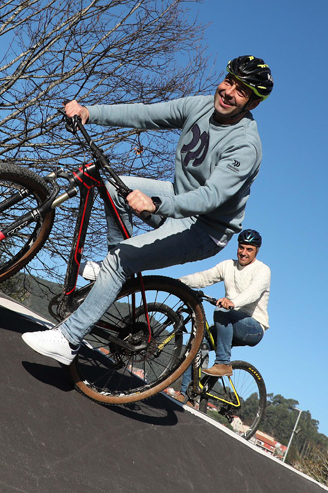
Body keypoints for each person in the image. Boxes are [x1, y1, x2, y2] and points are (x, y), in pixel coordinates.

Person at [21, 55, 274, 365]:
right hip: (177, 198)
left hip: (205, 227)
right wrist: (89, 112)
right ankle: (114, 272)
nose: (228, 91)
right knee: (115, 187)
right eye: (229, 81)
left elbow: (211, 197)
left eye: (241, 91)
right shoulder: (201, 107)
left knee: (121, 260)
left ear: (252, 103)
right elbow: (145, 114)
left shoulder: (245, 145)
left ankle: (68, 338)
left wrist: (157, 204)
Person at [171, 228, 270, 404]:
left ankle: (223, 363)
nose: (243, 252)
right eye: (241, 247)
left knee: (222, 312)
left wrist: (233, 302)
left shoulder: (262, 270)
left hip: (252, 327)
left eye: (249, 249)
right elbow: (205, 277)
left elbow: (253, 293)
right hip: (228, 322)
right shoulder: (228, 266)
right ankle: (186, 394)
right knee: (196, 344)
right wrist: (180, 282)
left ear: (257, 251)